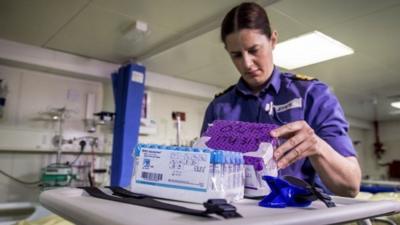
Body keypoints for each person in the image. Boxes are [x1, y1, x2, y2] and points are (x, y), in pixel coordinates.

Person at [201, 2, 361, 197]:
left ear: (273, 40)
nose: (247, 63)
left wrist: (317, 147)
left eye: (254, 50)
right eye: (236, 55)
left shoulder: (312, 95)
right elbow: (204, 176)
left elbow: (351, 185)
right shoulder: (219, 108)